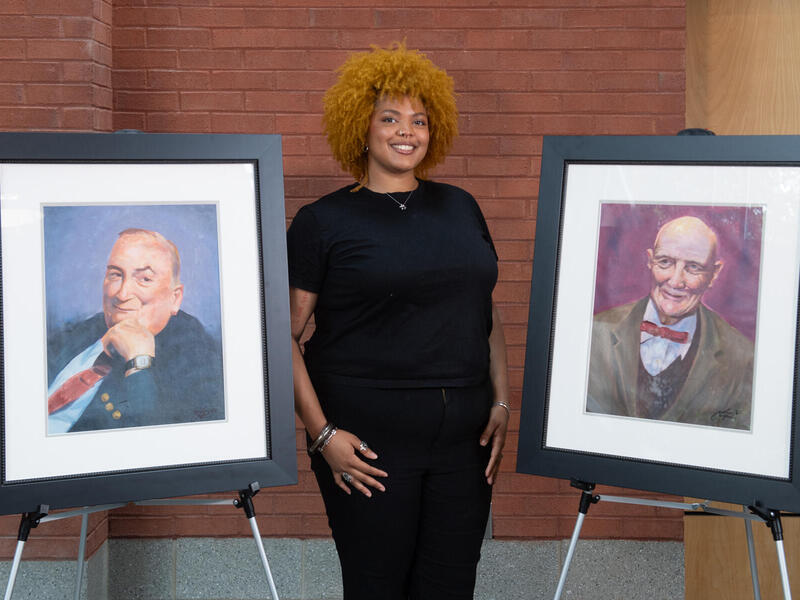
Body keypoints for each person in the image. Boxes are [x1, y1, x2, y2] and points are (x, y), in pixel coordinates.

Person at [287, 43, 510, 599]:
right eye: (389, 118)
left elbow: (484, 308)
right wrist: (323, 435)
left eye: (419, 120)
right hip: (368, 445)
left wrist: (502, 401)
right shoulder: (323, 222)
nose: (406, 131)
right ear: (359, 129)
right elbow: (282, 338)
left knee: (450, 587)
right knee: (377, 587)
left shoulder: (461, 206)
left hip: (464, 443)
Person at [47, 228, 225, 433]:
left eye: (144, 279)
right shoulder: (75, 333)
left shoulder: (198, 359)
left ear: (175, 298)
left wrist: (138, 361)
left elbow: (156, 445)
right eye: (115, 274)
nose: (122, 294)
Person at [587, 215, 754, 430]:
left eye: (693, 267)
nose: (676, 281)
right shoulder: (595, 333)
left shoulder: (743, 359)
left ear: (714, 274)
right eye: (665, 262)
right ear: (650, 260)